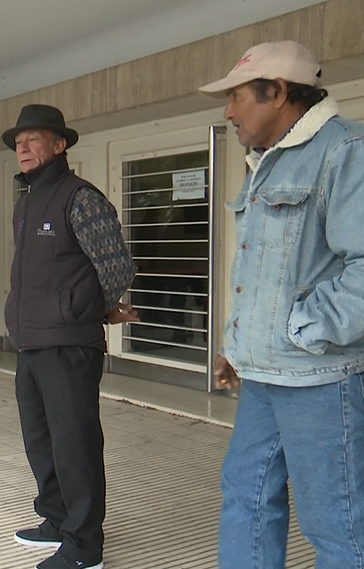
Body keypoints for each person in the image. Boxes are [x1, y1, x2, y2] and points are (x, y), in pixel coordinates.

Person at [200, 41, 364, 569]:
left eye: (237, 96)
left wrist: (299, 330)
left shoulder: (346, 151)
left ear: (278, 93)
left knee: (335, 525)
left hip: (320, 377)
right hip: (264, 375)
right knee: (244, 498)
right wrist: (237, 344)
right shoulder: (265, 163)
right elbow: (258, 271)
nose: (227, 111)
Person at [1, 104, 137, 569]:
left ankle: (83, 547)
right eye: (19, 142)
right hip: (31, 340)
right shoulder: (25, 204)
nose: (23, 147)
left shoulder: (81, 197)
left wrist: (90, 308)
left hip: (68, 344)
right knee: (41, 441)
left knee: (75, 444)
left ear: (59, 145)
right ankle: (56, 520)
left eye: (33, 139)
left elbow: (116, 266)